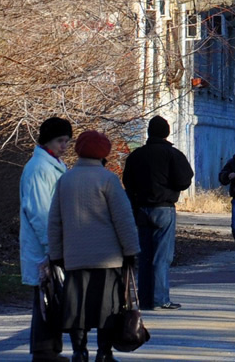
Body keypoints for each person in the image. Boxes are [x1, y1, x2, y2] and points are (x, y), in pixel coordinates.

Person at [49, 131, 140, 362]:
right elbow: (123, 218)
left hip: (75, 257)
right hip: (107, 258)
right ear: (104, 153)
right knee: (107, 307)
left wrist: (56, 254)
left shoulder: (65, 180)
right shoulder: (107, 179)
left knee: (77, 307)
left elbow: (55, 221)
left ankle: (80, 352)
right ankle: (104, 353)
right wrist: (131, 250)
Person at [121, 115, 193, 310]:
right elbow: (185, 179)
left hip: (141, 208)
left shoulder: (137, 156)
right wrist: (170, 190)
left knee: (144, 256)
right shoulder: (173, 155)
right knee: (162, 257)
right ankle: (160, 299)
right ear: (167, 132)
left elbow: (127, 181)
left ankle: (144, 299)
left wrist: (136, 199)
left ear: (149, 132)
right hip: (164, 207)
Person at [20, 116, 72, 362]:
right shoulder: (39, 168)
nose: (64, 146)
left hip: (52, 241)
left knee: (52, 297)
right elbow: (40, 211)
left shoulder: (53, 164)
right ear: (48, 140)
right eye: (60, 140)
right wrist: (51, 246)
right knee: (45, 297)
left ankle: (50, 349)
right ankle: (43, 351)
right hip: (43, 243)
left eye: (67, 141)